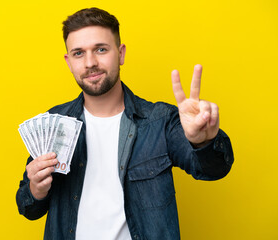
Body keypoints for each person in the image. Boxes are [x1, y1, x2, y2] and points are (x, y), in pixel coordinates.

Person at [16, 7, 234, 240]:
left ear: (120, 54)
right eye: (79, 53)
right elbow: (28, 207)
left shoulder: (160, 121)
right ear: (69, 62)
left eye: (101, 49)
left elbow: (214, 169)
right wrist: (35, 190)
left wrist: (204, 142)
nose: (90, 63)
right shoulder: (55, 123)